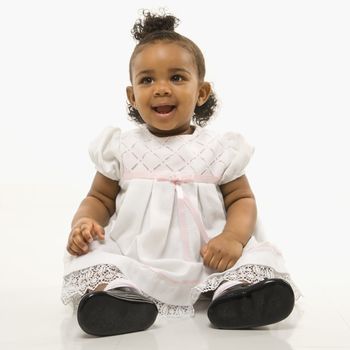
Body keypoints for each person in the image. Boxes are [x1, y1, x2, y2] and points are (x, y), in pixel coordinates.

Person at [62, 10, 299, 337]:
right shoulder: (121, 147)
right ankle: (114, 298)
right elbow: (99, 197)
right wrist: (84, 223)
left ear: (201, 92)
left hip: (210, 257)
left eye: (176, 77)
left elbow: (241, 198)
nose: (161, 89)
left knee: (254, 257)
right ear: (132, 95)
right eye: (147, 80)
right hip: (135, 255)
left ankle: (238, 294)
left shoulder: (218, 149)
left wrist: (232, 238)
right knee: (92, 254)